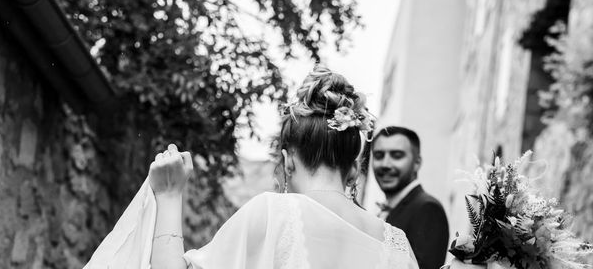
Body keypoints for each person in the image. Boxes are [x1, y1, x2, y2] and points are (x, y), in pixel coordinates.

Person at [83, 66, 419, 269]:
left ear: (287, 161)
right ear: (354, 168)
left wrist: (170, 196)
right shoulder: (397, 244)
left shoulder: (273, 213)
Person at [371, 126, 449, 269]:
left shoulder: (428, 209)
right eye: (379, 155)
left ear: (417, 163)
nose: (385, 164)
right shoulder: (388, 209)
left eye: (397, 155)